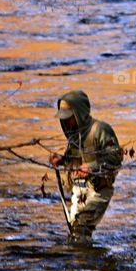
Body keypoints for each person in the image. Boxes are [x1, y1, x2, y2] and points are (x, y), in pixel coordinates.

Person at [49, 90, 122, 241]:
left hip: (98, 191)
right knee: (75, 233)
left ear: (79, 113)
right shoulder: (75, 135)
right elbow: (73, 158)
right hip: (79, 192)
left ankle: (84, 262)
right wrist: (61, 160)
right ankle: (83, 262)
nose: (66, 123)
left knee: (81, 229)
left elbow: (115, 157)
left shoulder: (100, 129)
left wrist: (92, 167)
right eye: (64, 119)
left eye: (69, 118)